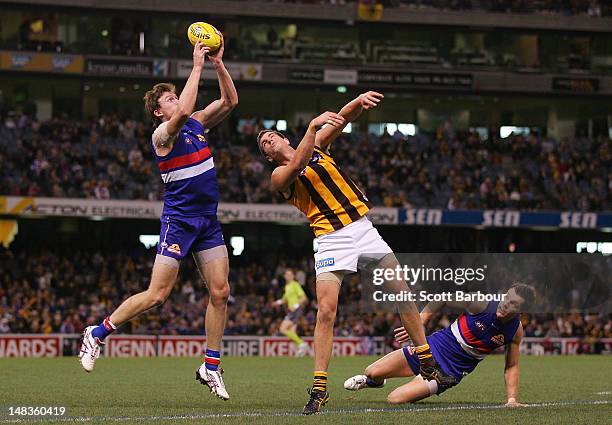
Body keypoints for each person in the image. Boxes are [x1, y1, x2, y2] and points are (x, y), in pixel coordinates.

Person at [257, 91, 456, 414]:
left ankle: (427, 362)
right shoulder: (278, 175)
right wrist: (311, 128)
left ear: (282, 137)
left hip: (362, 229)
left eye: (270, 136)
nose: (268, 141)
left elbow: (344, 117)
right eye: (264, 143)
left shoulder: (319, 144)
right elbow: (297, 164)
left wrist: (357, 102)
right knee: (326, 311)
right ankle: (320, 387)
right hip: (331, 238)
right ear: (268, 157)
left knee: (402, 294)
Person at [78, 37, 238, 401]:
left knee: (221, 292)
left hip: (207, 222)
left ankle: (210, 366)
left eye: (174, 96)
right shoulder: (162, 135)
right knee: (157, 295)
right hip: (179, 222)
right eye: (168, 99)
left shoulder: (197, 122)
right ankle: (97, 332)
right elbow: (182, 113)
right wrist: (196, 65)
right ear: (158, 112)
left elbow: (230, 101)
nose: (175, 102)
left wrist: (218, 64)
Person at [344, 283, 535, 407]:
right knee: (371, 372)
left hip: (448, 371)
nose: (505, 304)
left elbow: (512, 365)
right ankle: (375, 382)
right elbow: (444, 297)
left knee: (395, 399)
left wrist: (512, 399)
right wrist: (421, 321)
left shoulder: (515, 331)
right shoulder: (482, 304)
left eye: (513, 304)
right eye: (506, 298)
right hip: (432, 346)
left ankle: (423, 381)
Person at [274, 268, 309, 356]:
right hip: (292, 311)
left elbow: (303, 298)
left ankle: (302, 344)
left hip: (295, 311)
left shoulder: (295, 285)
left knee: (283, 329)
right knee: (292, 332)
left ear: (293, 276)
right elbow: (284, 299)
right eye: (286, 275)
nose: (288, 276)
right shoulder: (287, 286)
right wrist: (277, 303)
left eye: (290, 274)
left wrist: (295, 306)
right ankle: (300, 351)